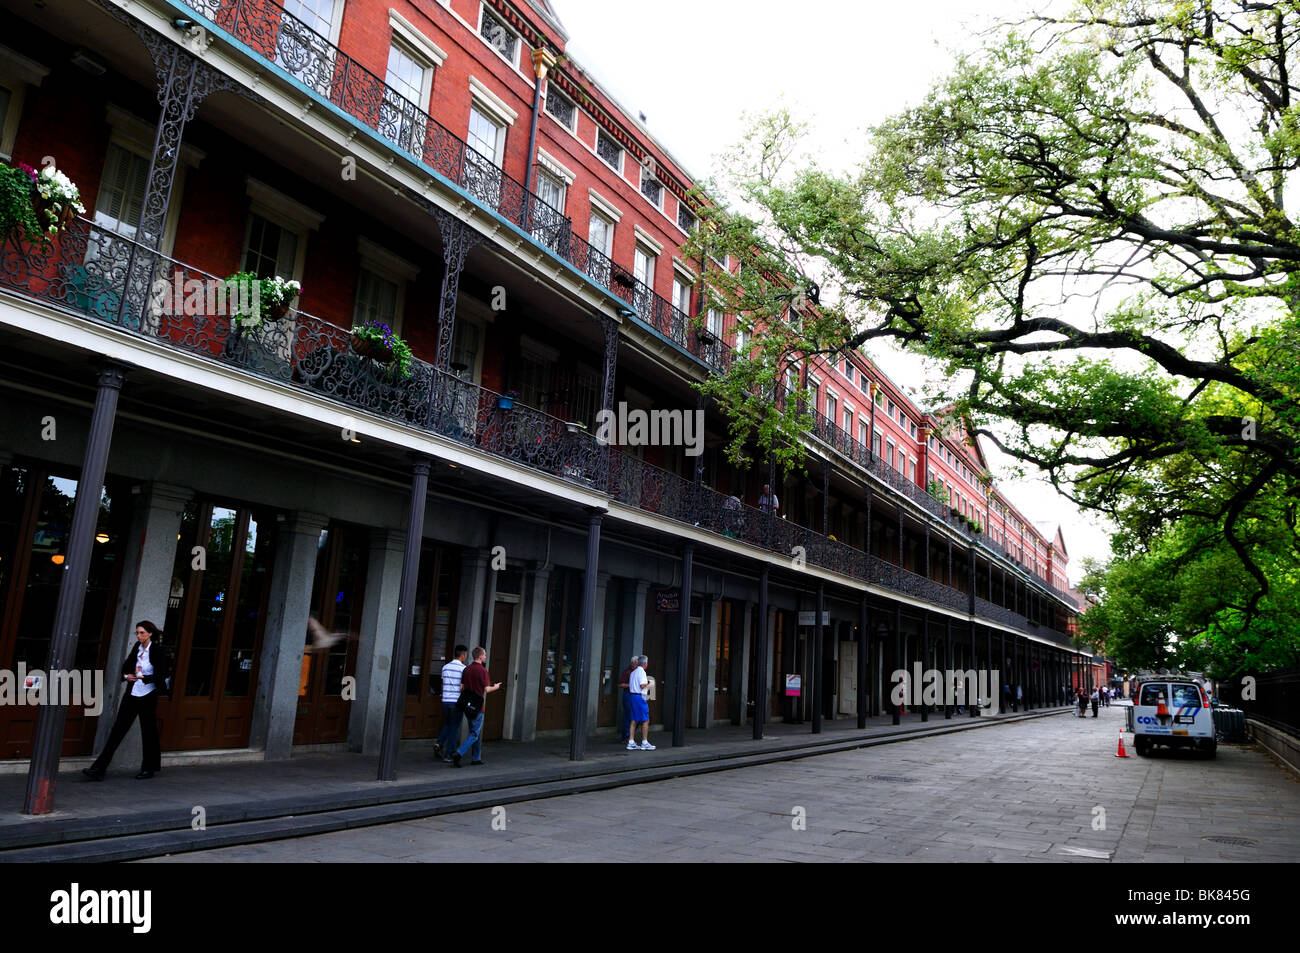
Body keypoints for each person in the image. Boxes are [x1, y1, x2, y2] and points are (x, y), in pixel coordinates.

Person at [83, 621, 172, 781]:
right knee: (117, 730)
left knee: (148, 732)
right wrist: (126, 676)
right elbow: (125, 668)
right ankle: (98, 769)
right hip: (132, 694)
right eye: (137, 633)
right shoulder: (136, 649)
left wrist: (145, 678)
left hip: (148, 695)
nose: (139, 636)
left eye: (142, 633)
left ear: (150, 634)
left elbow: (162, 675)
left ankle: (148, 768)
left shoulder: (158, 651)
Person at [450, 647, 501, 767]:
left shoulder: (466, 669)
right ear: (480, 656)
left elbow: (461, 687)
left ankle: (476, 758)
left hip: (467, 705)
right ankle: (459, 753)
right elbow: (487, 689)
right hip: (478, 706)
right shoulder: (483, 671)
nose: (485, 657)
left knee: (475, 731)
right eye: (484, 655)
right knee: (474, 733)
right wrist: (497, 687)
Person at [434, 644, 468, 762]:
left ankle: (439, 743)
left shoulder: (446, 667)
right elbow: (462, 686)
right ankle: (449, 753)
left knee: (448, 723)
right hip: (456, 701)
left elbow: (443, 683)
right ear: (463, 655)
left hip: (445, 700)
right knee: (455, 727)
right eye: (465, 655)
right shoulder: (463, 668)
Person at [626, 655, 654, 750]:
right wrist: (650, 684)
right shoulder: (642, 672)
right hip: (639, 697)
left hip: (632, 696)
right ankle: (644, 742)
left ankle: (631, 741)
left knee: (634, 720)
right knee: (645, 720)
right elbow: (642, 686)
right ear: (645, 663)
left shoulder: (633, 672)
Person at [617, 654, 638, 744]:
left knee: (638, 717)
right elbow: (620, 684)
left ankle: (630, 735)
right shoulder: (627, 672)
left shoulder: (639, 672)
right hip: (628, 695)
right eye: (635, 664)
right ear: (632, 663)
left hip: (637, 696)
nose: (636, 666)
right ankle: (626, 737)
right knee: (628, 716)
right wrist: (631, 685)